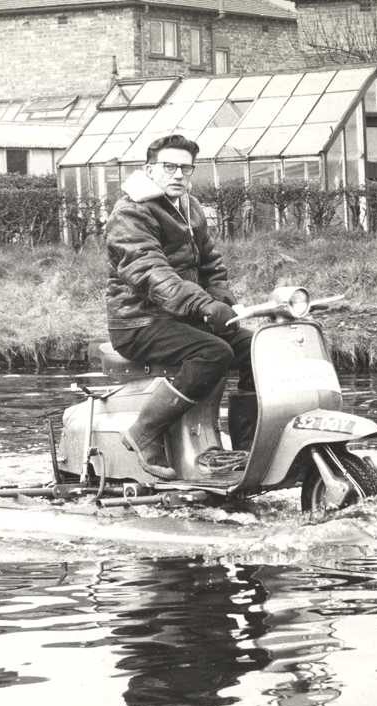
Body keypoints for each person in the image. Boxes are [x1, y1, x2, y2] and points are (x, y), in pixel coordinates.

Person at [105, 134, 254, 479]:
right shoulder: (130, 212)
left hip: (183, 315)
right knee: (213, 352)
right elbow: (151, 272)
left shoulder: (190, 206)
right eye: (169, 166)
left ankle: (247, 447)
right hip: (139, 322)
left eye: (185, 169)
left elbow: (212, 265)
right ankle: (144, 432)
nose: (177, 175)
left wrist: (221, 301)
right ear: (148, 169)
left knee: (254, 348)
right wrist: (203, 306)